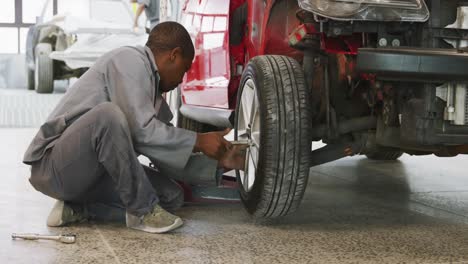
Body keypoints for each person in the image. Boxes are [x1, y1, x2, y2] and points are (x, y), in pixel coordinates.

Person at [23, 21, 244, 234]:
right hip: (54, 166)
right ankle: (142, 212)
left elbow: (164, 153)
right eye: (184, 69)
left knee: (171, 196)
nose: (182, 79)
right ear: (173, 55)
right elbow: (142, 130)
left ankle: (79, 208)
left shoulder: (154, 97)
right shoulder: (129, 60)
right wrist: (199, 140)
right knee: (107, 116)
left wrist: (223, 163)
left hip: (94, 173)